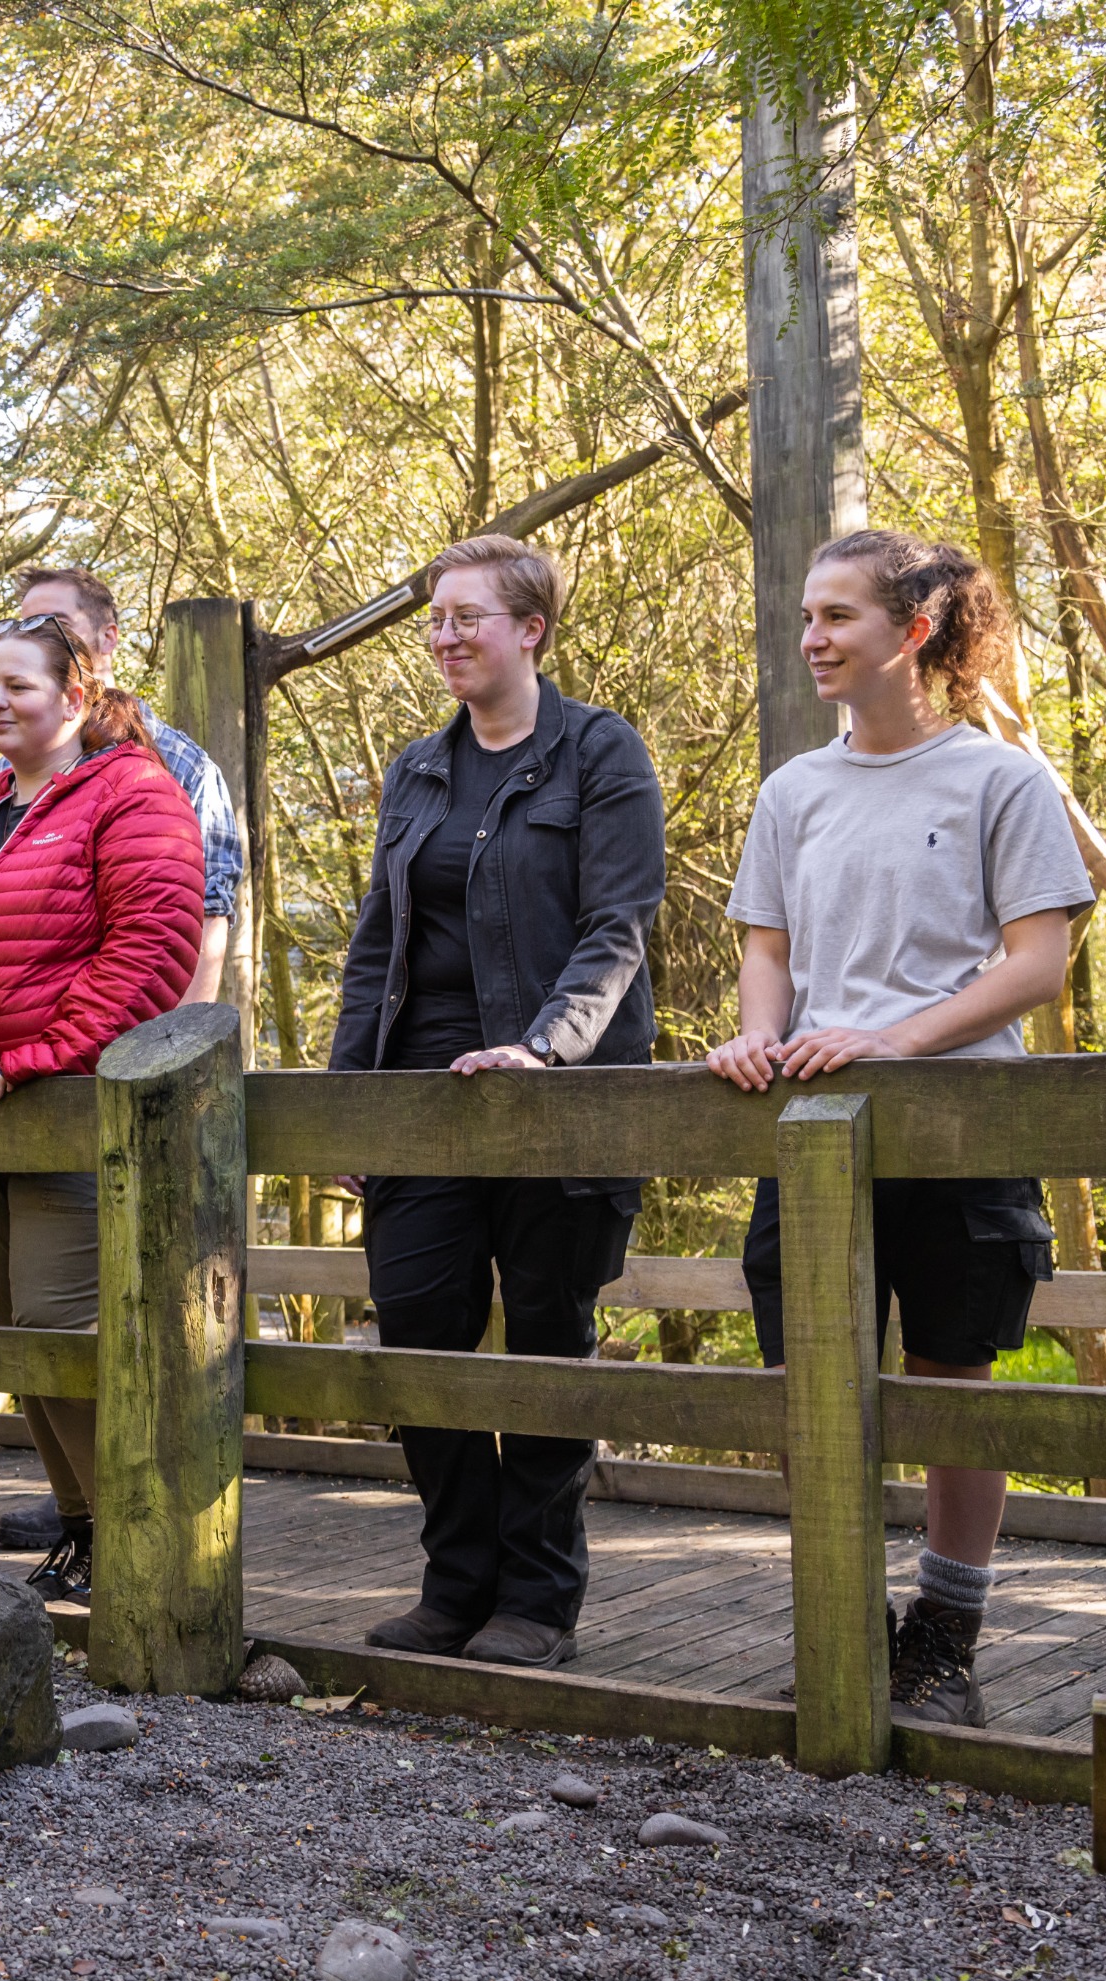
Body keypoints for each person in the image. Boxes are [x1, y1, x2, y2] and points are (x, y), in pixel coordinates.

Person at [707, 528, 1092, 1728]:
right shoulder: (794, 789)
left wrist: (899, 1037)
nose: (811, 637)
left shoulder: (1002, 780)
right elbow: (766, 950)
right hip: (811, 1122)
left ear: (913, 629)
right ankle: (848, 1621)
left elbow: (1040, 961)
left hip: (959, 1116)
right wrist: (757, 1036)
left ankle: (944, 1638)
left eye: (837, 617)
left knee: (951, 1379)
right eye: (807, 616)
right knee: (805, 1378)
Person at [327, 534, 667, 1668]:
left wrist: (544, 1051)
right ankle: (455, 1578)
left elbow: (615, 926)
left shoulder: (600, 754)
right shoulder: (416, 769)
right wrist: (348, 1107)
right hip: (421, 1098)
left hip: (558, 1101)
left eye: (468, 615)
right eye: (436, 617)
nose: (445, 634)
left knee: (545, 1340)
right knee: (419, 1327)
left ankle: (536, 1597)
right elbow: (377, 945)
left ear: (531, 628)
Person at [0, 613, 205, 1602]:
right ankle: (83, 1528)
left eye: (18, 683)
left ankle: (138, 1546)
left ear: (76, 693)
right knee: (16, 1330)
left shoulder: (131, 794)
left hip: (60, 1104)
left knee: (62, 1323)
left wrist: (55, 1051)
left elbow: (155, 940)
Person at [0, 565, 245, 1556]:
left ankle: (153, 1526)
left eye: (54, 626)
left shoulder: (169, 761)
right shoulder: (2, 777)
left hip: (141, 1072)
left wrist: (162, 1068)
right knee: (37, 1307)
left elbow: (198, 928)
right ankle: (85, 1505)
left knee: (139, 1301)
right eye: (21, 627)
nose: (34, 641)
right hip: (32, 1082)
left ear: (103, 641)